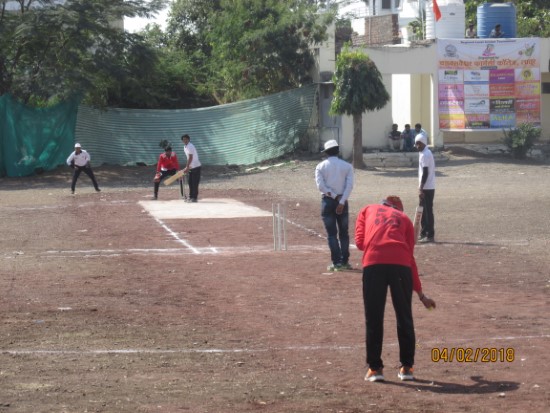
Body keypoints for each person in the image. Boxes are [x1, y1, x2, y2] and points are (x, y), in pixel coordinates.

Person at [355, 195, 436, 382]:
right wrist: (421, 295)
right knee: (404, 316)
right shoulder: (405, 219)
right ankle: (407, 368)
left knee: (373, 317)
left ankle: (375, 370)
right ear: (399, 210)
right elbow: (411, 260)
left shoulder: (367, 209)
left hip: (374, 262)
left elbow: (360, 243)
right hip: (401, 264)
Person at [315, 139, 354, 271]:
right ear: (338, 151)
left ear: (326, 153)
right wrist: (341, 201)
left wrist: (333, 195)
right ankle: (345, 261)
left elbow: (321, 186)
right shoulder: (347, 166)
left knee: (332, 234)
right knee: (344, 233)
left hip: (328, 201)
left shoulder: (320, 167)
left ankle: (336, 262)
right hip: (343, 201)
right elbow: (349, 186)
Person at [415, 134, 436, 243]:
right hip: (426, 186)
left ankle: (429, 234)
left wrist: (421, 188)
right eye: (416, 143)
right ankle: (424, 232)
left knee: (427, 212)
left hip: (427, 187)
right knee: (423, 211)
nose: (416, 146)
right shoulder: (423, 153)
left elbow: (425, 173)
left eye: (418, 143)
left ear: (423, 142)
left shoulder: (425, 154)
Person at [180, 134, 202, 203]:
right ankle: (191, 196)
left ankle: (194, 198)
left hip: (196, 166)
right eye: (183, 139)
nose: (185, 140)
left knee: (194, 183)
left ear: (189, 139)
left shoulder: (190, 146)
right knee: (190, 182)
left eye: (186, 139)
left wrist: (187, 167)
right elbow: (188, 158)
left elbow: (190, 157)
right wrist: (187, 167)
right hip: (191, 167)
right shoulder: (185, 147)